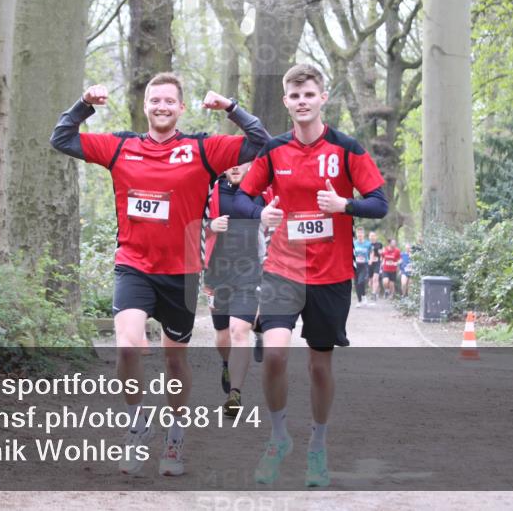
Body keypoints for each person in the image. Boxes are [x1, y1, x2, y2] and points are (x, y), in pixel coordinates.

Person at [50, 73, 268, 477]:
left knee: (174, 360)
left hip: (182, 272)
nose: (162, 106)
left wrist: (231, 109)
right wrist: (84, 103)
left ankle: (176, 433)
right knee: (128, 345)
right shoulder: (120, 146)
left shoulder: (202, 149)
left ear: (181, 108)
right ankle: (136, 423)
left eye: (170, 101)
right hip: (133, 264)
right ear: (146, 105)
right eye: (155, 100)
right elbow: (61, 138)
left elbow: (261, 142)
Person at [233, 64, 387, 487]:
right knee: (277, 354)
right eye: (295, 96)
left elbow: (379, 202)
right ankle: (278, 437)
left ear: (323, 98)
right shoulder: (274, 151)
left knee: (320, 367)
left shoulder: (346, 149)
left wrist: (345, 206)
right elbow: (241, 199)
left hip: (331, 274)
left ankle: (318, 444)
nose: (302, 102)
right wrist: (260, 213)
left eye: (309, 94)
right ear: (286, 102)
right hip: (283, 269)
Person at [203, 162, 264, 416]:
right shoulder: (212, 189)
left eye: (242, 162)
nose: (236, 167)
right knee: (222, 333)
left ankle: (235, 394)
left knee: (239, 330)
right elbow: (187, 217)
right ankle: (226, 363)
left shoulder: (263, 189)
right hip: (218, 271)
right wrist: (209, 224)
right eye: (231, 163)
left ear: (251, 164)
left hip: (250, 270)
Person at [352, 228, 371, 308]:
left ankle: (364, 297)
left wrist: (371, 259)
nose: (359, 235)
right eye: (358, 234)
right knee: (356, 283)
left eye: (361, 234)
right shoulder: (354, 243)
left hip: (364, 265)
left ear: (363, 234)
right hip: (356, 265)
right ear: (356, 234)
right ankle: (360, 300)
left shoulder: (368, 244)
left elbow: (372, 252)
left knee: (361, 281)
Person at [368, 231, 382, 301]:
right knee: (370, 281)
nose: (372, 237)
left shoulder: (379, 244)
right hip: (369, 264)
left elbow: (380, 252)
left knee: (375, 279)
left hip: (377, 263)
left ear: (376, 237)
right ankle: (374, 292)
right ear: (369, 237)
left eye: (373, 236)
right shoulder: (367, 244)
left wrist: (381, 252)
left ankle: (374, 293)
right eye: (371, 236)